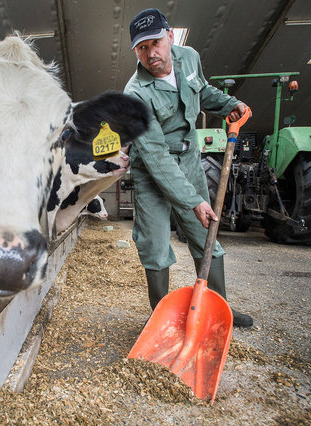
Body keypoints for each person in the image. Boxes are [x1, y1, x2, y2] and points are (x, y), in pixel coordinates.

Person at [124, 8, 253, 327]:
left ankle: (219, 307)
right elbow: (155, 157)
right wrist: (192, 200)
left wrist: (229, 104)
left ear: (169, 36)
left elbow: (203, 92)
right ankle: (160, 320)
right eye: (142, 48)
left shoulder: (189, 58)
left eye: (155, 43)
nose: (151, 54)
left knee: (204, 231)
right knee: (154, 244)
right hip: (151, 171)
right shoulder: (135, 94)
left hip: (190, 158)